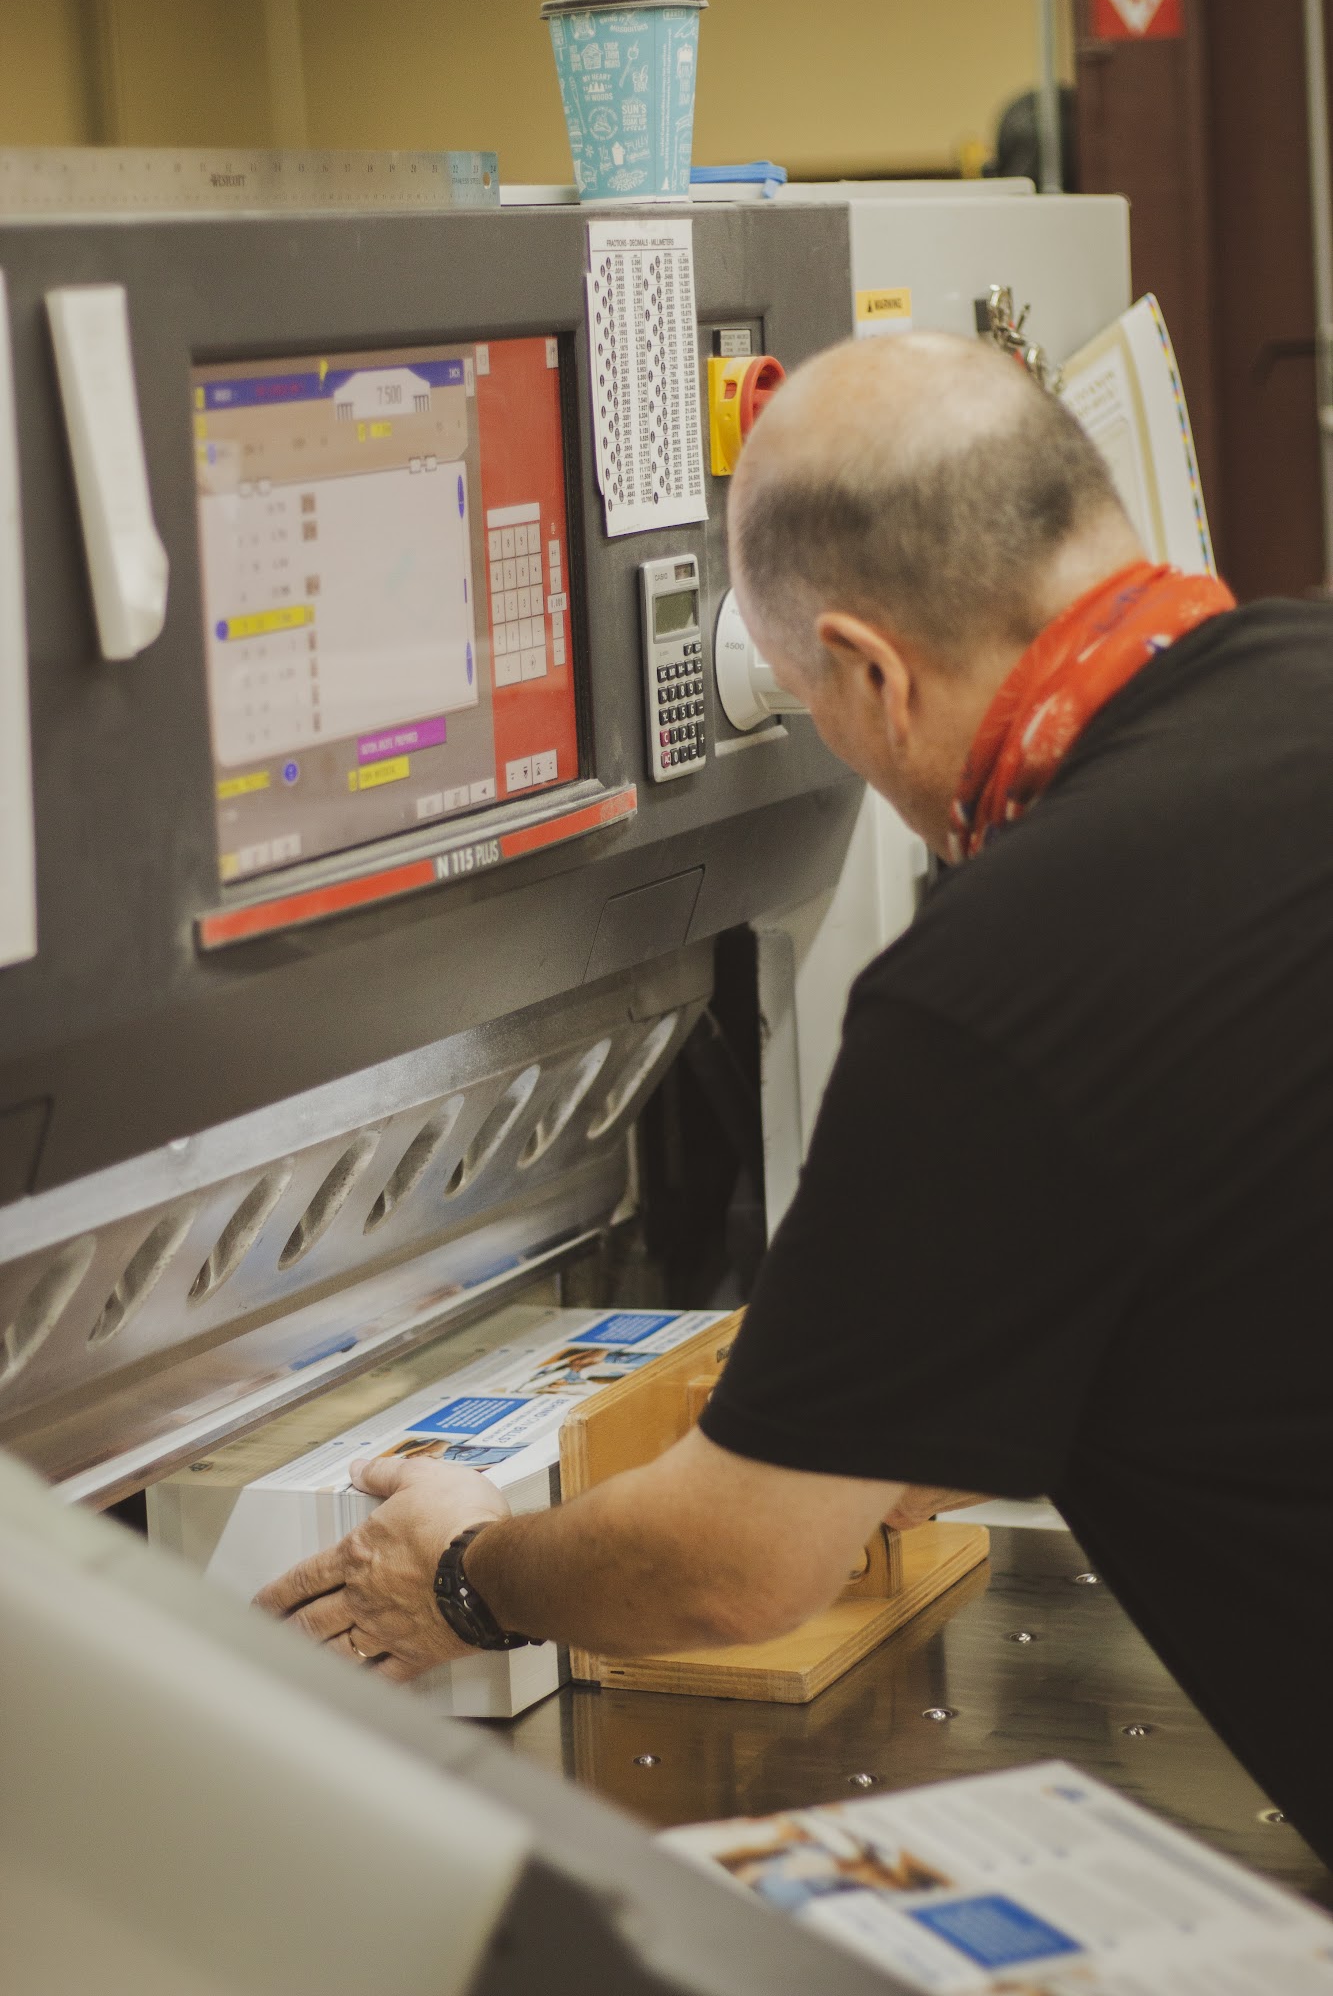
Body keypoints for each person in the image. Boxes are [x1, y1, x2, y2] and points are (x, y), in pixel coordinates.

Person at [258, 333, 1333, 1864]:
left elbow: (734, 1572)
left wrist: (462, 1576)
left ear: (870, 671)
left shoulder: (993, 980)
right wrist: (914, 1401)